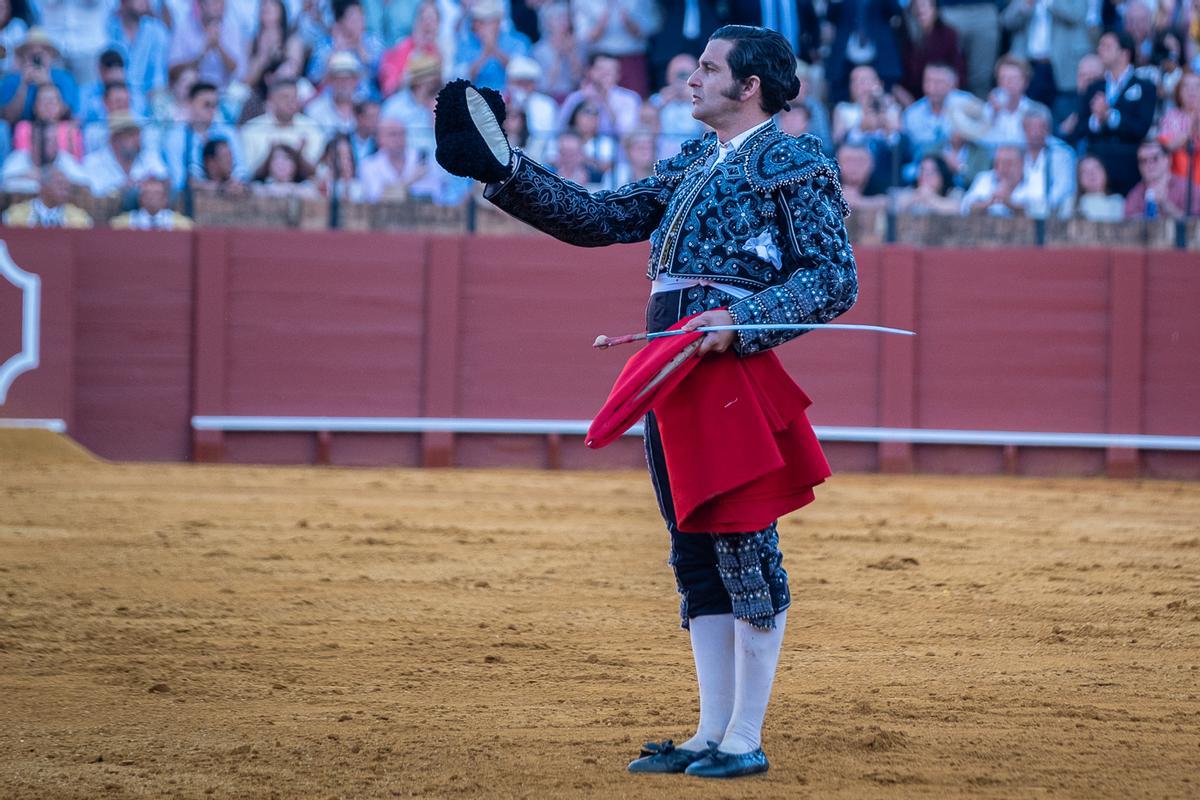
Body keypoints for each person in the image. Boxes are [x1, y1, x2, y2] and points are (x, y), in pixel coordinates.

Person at [434, 24, 857, 779]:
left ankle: (745, 738)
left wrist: (742, 319)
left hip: (727, 371)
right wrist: (504, 170)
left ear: (748, 85)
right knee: (694, 544)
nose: (690, 80)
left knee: (743, 542)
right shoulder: (697, 157)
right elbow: (601, 219)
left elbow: (833, 277)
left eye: (706, 69)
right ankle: (709, 731)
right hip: (674, 368)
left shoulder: (793, 159)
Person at [1069, 31, 1157, 195]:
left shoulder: (1146, 87)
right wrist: (1096, 119)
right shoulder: (1094, 87)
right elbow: (1079, 128)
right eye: (1100, 45)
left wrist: (1110, 116)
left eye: (1107, 46)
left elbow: (1141, 128)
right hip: (1097, 168)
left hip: (1128, 169)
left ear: (1124, 53)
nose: (1100, 49)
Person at [163, 80, 245, 192]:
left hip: (231, 196)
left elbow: (242, 171)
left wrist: (234, 184)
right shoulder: (176, 137)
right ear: (189, 104)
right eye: (206, 105)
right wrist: (216, 187)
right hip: (192, 201)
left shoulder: (229, 133)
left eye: (215, 105)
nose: (212, 110)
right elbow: (179, 180)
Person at [241, 77, 325, 174]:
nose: (291, 102)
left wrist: (299, 156)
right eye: (285, 97)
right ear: (271, 100)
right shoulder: (251, 129)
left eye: (295, 97)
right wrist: (269, 156)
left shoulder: (312, 128)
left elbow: (318, 173)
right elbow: (247, 174)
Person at [1123, 138, 1200, 218]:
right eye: (1143, 160)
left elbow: (1195, 226)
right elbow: (1127, 224)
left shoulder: (1188, 189)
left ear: (1168, 159)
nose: (1149, 165)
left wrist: (1165, 205)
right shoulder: (1135, 195)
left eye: (1155, 158)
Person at [2, 165, 92, 227]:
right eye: (59, 184)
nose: (64, 190)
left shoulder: (80, 218)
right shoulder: (16, 214)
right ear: (43, 187)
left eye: (66, 186)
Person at [961, 143, 1037, 215]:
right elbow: (966, 208)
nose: (1002, 168)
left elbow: (1039, 211)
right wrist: (987, 203)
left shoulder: (1034, 180)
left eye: (1008, 164)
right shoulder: (984, 178)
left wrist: (1010, 203)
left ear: (1021, 164)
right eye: (997, 163)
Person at [110, 168, 196, 229]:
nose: (152, 198)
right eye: (147, 194)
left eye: (156, 194)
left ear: (165, 199)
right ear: (140, 198)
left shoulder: (178, 224)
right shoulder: (125, 223)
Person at [1158, 70, 1200, 186]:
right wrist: (1191, 130)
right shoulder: (1171, 116)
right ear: (1179, 93)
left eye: (1197, 86)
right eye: (1186, 86)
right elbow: (1166, 147)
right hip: (1179, 180)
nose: (1192, 91)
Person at [893, 153, 963, 213]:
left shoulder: (955, 192)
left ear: (942, 175)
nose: (925, 175)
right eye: (922, 170)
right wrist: (913, 199)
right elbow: (895, 206)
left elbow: (957, 209)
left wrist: (931, 198)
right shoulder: (911, 191)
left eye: (931, 172)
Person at [1068, 153, 1124, 220]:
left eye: (1096, 168)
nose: (1091, 174)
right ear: (1078, 178)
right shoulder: (1070, 204)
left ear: (1105, 172)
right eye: (1085, 171)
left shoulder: (1118, 202)